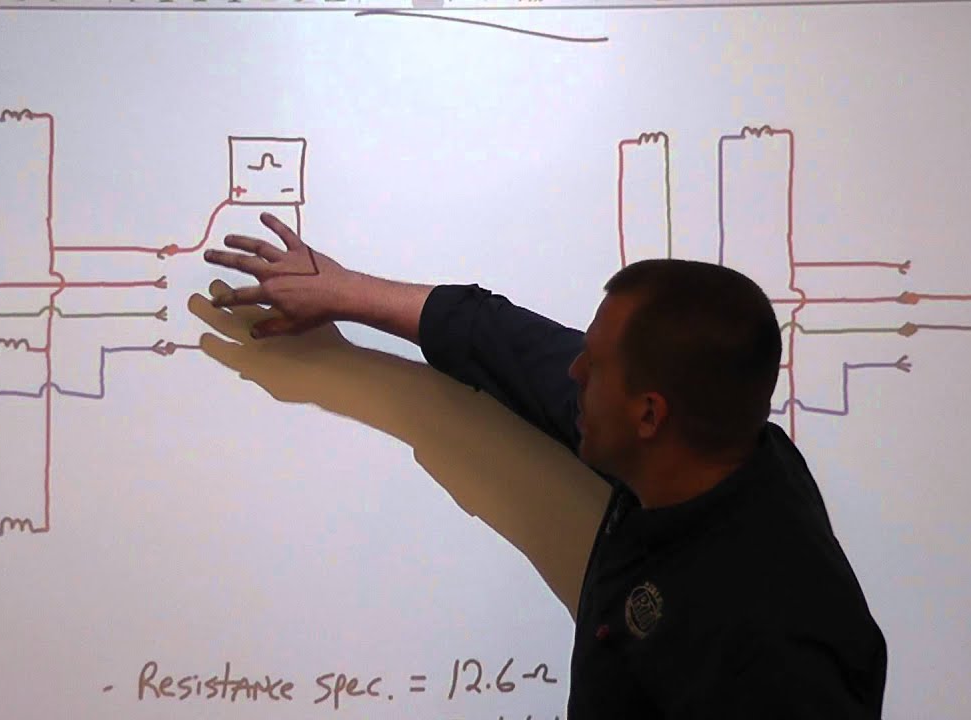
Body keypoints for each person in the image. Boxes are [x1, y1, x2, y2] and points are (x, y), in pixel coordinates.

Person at [203, 212, 888, 718]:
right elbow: (503, 342)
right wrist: (344, 291)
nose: (574, 371)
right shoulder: (707, 444)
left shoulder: (771, 645)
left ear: (650, 415)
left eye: (595, 365)